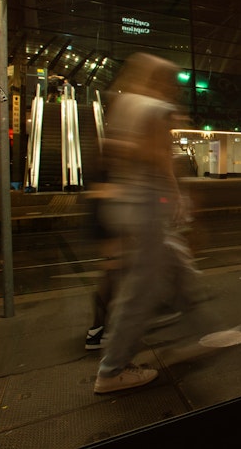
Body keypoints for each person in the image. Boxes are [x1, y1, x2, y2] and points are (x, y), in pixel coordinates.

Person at [92, 53, 198, 393]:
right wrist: (176, 194)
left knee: (173, 262)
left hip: (126, 204)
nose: (175, 89)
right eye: (171, 82)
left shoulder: (124, 103)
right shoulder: (156, 109)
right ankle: (112, 369)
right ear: (160, 80)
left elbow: (113, 152)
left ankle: (191, 325)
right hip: (147, 206)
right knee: (141, 291)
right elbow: (159, 155)